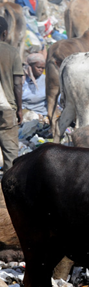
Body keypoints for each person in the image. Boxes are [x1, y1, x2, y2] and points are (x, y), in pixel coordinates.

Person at [0, 16, 23, 171]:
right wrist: (20, 109)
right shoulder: (12, 52)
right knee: (11, 157)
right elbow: (18, 84)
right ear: (5, 33)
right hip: (7, 109)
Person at [21, 53, 46, 118]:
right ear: (30, 67)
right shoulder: (21, 79)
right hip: (22, 113)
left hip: (40, 114)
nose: (41, 70)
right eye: (38, 67)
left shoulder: (46, 80)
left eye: (43, 68)